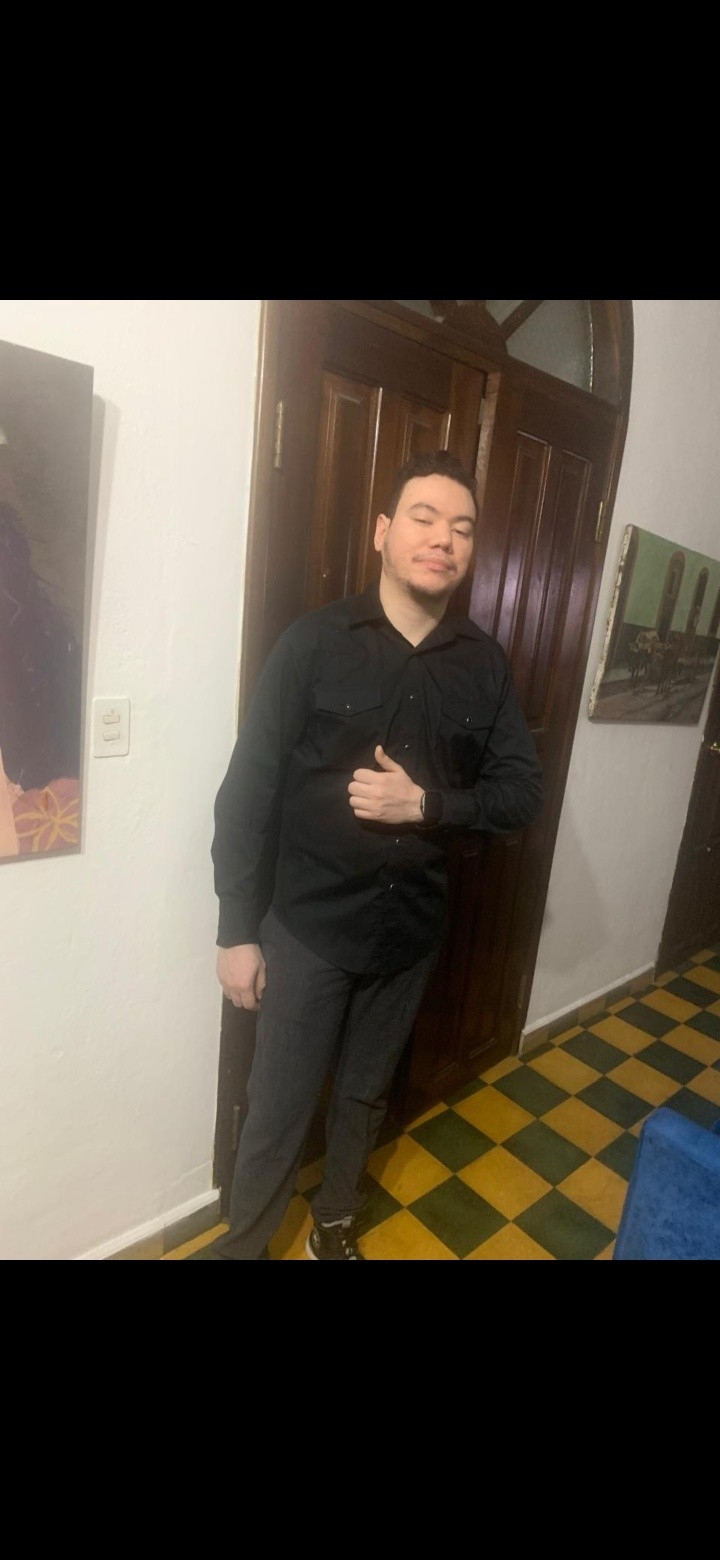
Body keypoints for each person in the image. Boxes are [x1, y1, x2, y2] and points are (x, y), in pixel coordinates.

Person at [206, 450, 543, 1261]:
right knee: (279, 1103)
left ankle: (333, 1226)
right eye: (424, 518)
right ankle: (244, 1246)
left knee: (363, 1096)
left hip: (410, 932)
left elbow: (520, 796)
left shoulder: (484, 664)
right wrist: (236, 930)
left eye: (462, 528)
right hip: (309, 928)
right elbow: (247, 791)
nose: (443, 539)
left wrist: (425, 805)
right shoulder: (313, 643)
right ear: (383, 532)